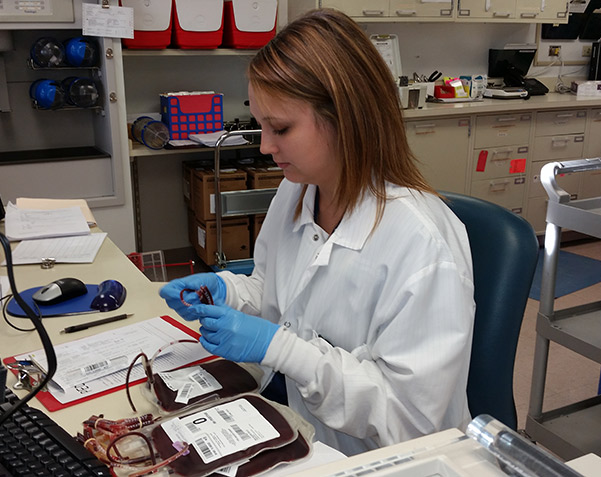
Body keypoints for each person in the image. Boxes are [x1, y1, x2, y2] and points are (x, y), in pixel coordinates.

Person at [159, 8, 475, 457]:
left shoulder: (423, 243)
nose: (266, 147)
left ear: (346, 117)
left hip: (380, 460)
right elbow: (280, 295)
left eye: (281, 128)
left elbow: (412, 420)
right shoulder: (297, 192)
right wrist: (226, 293)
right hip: (294, 427)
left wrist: (283, 350)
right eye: (261, 125)